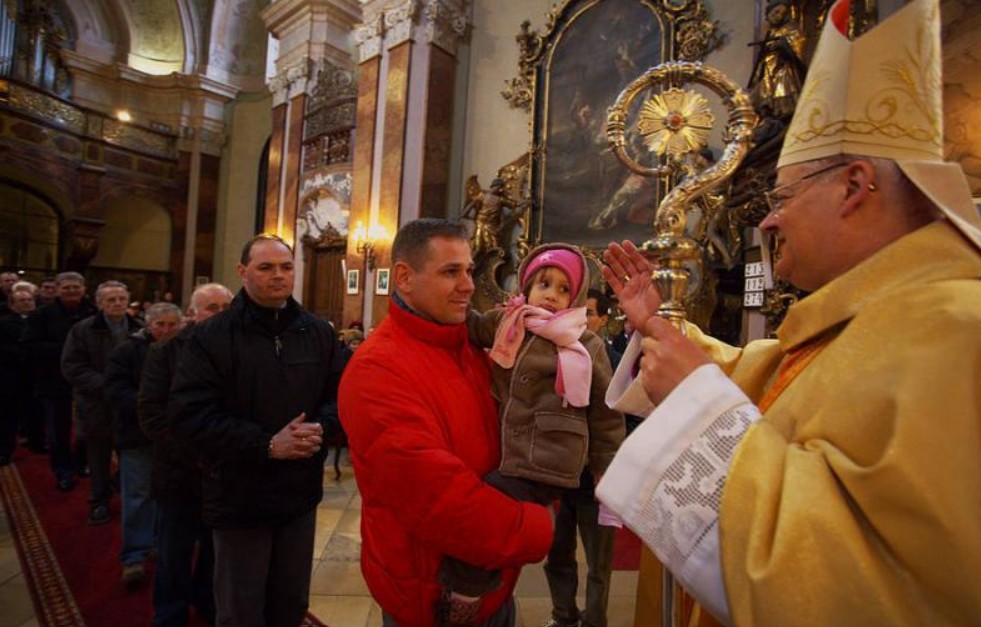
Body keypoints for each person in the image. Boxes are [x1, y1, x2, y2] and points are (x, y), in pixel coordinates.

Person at [596, 1, 981, 624]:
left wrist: (695, 398)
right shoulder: (873, 314)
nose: (769, 219)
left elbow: (882, 587)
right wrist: (659, 330)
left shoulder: (958, 329)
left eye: (784, 196)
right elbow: (764, 375)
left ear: (855, 186)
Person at [338, 219, 555, 627]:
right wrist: (538, 526)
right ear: (404, 277)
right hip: (429, 600)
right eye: (450, 272)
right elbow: (438, 500)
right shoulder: (377, 370)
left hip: (492, 581)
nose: (469, 285)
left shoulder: (469, 347)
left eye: (469, 270)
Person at [447, 244, 624, 625]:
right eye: (545, 283)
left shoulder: (584, 341)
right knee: (507, 524)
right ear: (526, 286)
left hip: (551, 452)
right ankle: (525, 597)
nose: (553, 295)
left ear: (575, 298)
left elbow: (605, 412)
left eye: (564, 290)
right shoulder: (509, 322)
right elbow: (469, 322)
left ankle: (467, 590)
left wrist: (606, 467)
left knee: (484, 508)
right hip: (513, 449)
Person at [168, 235, 339, 627]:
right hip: (238, 494)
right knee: (241, 608)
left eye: (286, 267)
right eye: (266, 268)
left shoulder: (317, 332)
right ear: (243, 272)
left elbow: (341, 394)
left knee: (290, 602)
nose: (278, 276)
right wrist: (266, 444)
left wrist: (321, 428)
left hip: (299, 492)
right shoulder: (210, 336)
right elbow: (189, 414)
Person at [139, 283, 232, 627]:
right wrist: (195, 454)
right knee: (173, 554)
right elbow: (151, 414)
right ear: (193, 314)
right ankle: (170, 613)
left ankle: (206, 603)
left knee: (215, 552)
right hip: (178, 473)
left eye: (226, 306)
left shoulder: (241, 351)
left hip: (223, 474)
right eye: (212, 307)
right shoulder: (165, 353)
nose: (220, 313)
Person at [542, 288, 622, 627]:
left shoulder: (615, 361)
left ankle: (594, 621)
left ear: (603, 319)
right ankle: (563, 616)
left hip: (596, 479)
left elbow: (623, 417)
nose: (583, 320)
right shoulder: (556, 352)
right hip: (561, 477)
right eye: (579, 312)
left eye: (589, 313)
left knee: (598, 564)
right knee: (557, 556)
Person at [104, 302, 184, 585]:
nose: (166, 330)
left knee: (168, 495)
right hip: (136, 434)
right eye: (160, 325)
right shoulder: (128, 351)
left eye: (172, 324)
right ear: (148, 326)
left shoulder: (188, 350)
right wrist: (150, 408)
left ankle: (160, 544)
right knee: (138, 495)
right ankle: (134, 554)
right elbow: (114, 389)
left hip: (174, 437)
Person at [61, 280, 142, 525]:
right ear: (99, 303)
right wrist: (107, 386)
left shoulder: (139, 328)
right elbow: (72, 367)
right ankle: (98, 501)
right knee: (98, 456)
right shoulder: (83, 330)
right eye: (111, 300)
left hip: (129, 404)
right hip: (97, 403)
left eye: (121, 299)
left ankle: (129, 499)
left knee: (132, 455)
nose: (117, 303)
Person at [21, 271, 98, 490]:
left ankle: (82, 463)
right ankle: (62, 470)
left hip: (87, 381)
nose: (72, 291)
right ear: (57, 289)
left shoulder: (94, 312)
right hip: (53, 380)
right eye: (66, 287)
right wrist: (69, 348)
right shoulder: (41, 315)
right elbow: (29, 346)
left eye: (76, 287)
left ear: (84, 289)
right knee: (58, 430)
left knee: (89, 427)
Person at [747, 0, 806, 119]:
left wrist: (782, 44)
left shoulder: (790, 28)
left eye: (782, 13)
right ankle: (767, 117)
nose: (778, 16)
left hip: (782, 68)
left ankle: (779, 119)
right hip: (767, 69)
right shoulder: (768, 32)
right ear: (768, 12)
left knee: (782, 95)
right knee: (760, 96)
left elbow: (797, 45)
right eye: (776, 12)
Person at [0, 289, 37, 465]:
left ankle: (34, 440)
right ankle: (5, 449)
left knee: (35, 412)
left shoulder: (40, 321)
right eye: (22, 300)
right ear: (12, 305)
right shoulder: (5, 323)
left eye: (30, 299)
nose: (27, 303)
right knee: (8, 415)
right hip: (11, 375)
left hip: (35, 376)